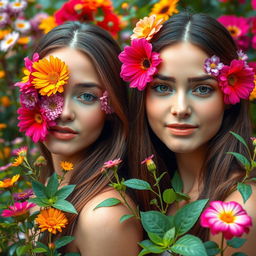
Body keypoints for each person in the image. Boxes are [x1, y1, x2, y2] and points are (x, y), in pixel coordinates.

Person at [124, 12, 256, 255]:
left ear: (229, 97)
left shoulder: (236, 209)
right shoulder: (145, 190)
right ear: (142, 96)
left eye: (203, 89)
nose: (181, 109)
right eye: (163, 87)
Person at [17, 21, 142, 255]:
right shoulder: (45, 189)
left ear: (112, 107)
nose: (64, 112)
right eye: (50, 92)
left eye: (86, 96)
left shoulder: (104, 216)